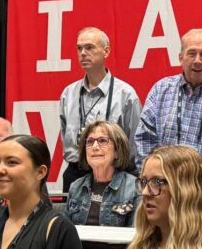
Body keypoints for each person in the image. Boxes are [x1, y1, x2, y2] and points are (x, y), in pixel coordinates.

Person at [134, 29, 202, 167]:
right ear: (180, 58)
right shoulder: (160, 90)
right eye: (191, 53)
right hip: (165, 182)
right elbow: (144, 139)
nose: (197, 60)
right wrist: (153, 179)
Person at [58, 27, 142, 192]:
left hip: (113, 174)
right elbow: (65, 134)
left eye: (89, 47)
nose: (83, 53)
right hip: (75, 173)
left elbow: (134, 144)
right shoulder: (68, 93)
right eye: (79, 48)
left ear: (106, 52)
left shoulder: (125, 94)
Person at [64, 120, 139, 227]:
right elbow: (66, 235)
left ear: (117, 151)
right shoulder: (76, 187)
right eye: (90, 141)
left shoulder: (135, 188)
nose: (94, 147)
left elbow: (137, 237)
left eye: (102, 141)